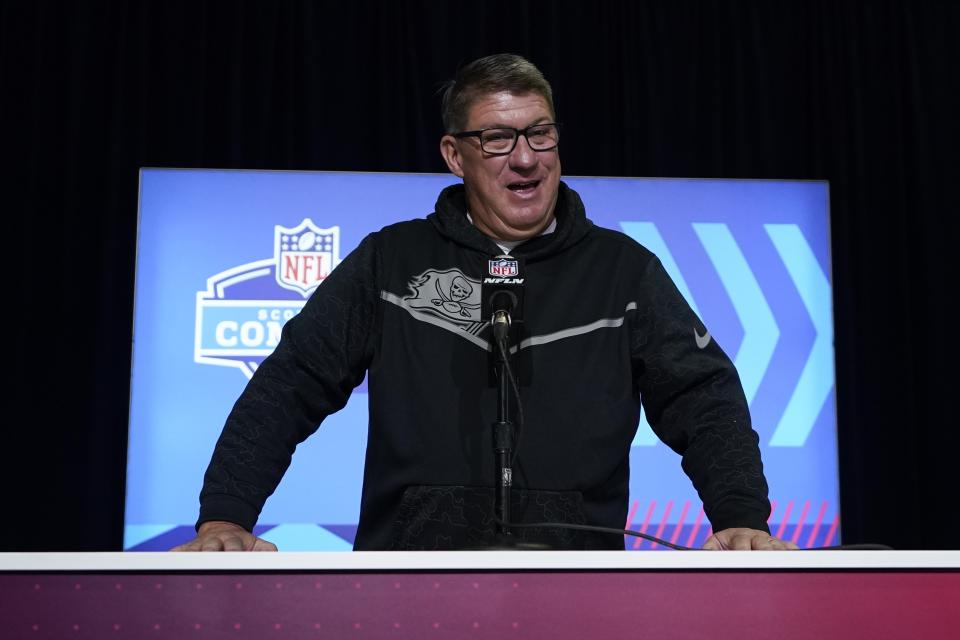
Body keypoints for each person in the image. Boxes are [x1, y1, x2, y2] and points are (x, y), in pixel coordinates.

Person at [174, 54, 797, 552]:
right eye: (498, 138)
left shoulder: (622, 270)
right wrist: (226, 517)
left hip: (578, 589)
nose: (525, 158)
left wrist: (740, 517)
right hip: (409, 583)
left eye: (540, 133)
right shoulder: (391, 261)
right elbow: (289, 384)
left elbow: (702, 395)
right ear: (455, 156)